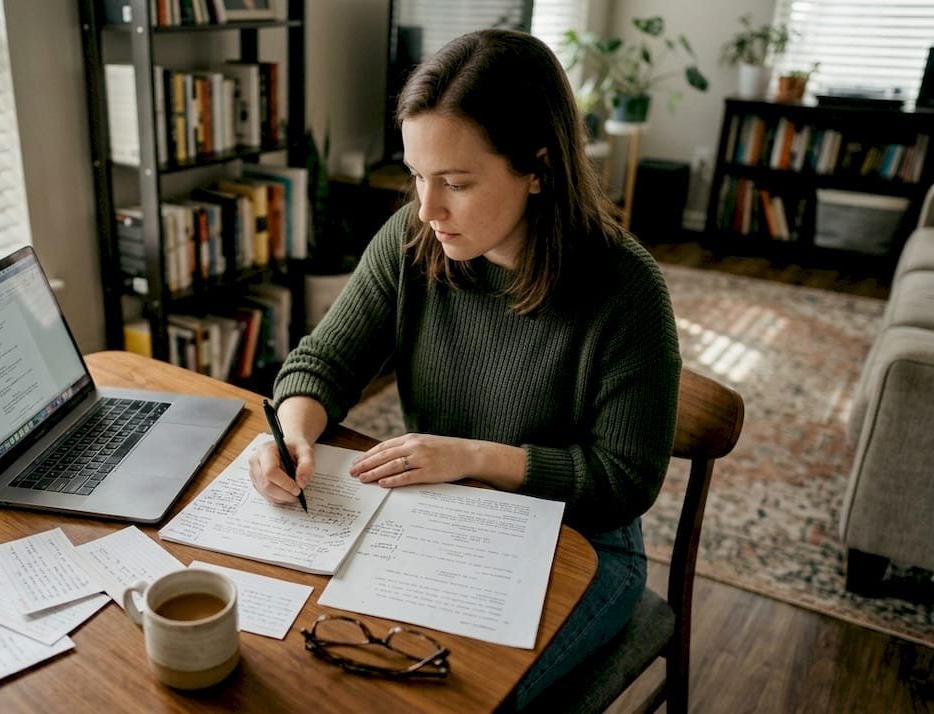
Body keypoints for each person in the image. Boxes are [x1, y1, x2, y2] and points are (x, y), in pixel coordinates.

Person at [248, 29, 680, 705]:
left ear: (538, 166)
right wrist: (292, 433)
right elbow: (323, 360)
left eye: (456, 183)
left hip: (583, 542)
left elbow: (625, 479)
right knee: (323, 664)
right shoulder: (414, 239)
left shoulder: (625, 290)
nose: (427, 208)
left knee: (456, 695)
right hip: (445, 518)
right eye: (418, 177)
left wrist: (473, 457)